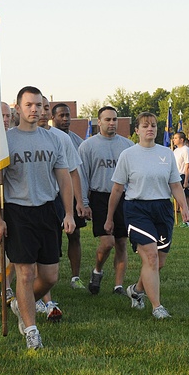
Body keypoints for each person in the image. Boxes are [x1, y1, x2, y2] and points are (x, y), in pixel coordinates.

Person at [0, 86, 75, 350]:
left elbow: (63, 177)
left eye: (39, 105)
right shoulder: (5, 140)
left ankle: (21, 303)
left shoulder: (53, 139)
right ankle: (31, 329)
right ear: (17, 108)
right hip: (18, 211)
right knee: (25, 273)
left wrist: (69, 212)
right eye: (29, 105)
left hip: (47, 209)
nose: (34, 110)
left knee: (50, 276)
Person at [104, 112, 189, 319]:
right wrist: (109, 218)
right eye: (145, 126)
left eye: (153, 125)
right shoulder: (128, 155)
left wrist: (184, 207)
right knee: (150, 257)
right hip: (137, 209)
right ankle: (157, 307)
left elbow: (175, 184)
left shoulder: (167, 154)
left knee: (158, 263)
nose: (150, 129)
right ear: (137, 131)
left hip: (162, 209)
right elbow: (117, 189)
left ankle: (136, 290)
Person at [79, 106, 134, 297]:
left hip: (123, 198)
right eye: (108, 120)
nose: (112, 123)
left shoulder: (127, 146)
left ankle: (118, 285)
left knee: (121, 243)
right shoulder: (88, 146)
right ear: (99, 122)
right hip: (100, 197)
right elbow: (82, 176)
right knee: (107, 242)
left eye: (115, 119)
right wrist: (85, 203)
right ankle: (97, 270)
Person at [52, 102, 89, 289]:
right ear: (53, 117)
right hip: (51, 195)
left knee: (74, 235)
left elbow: (77, 172)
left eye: (68, 115)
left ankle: (75, 277)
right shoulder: (49, 136)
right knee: (52, 238)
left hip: (71, 194)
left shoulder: (77, 141)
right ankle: (50, 275)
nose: (65, 119)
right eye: (61, 116)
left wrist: (81, 200)